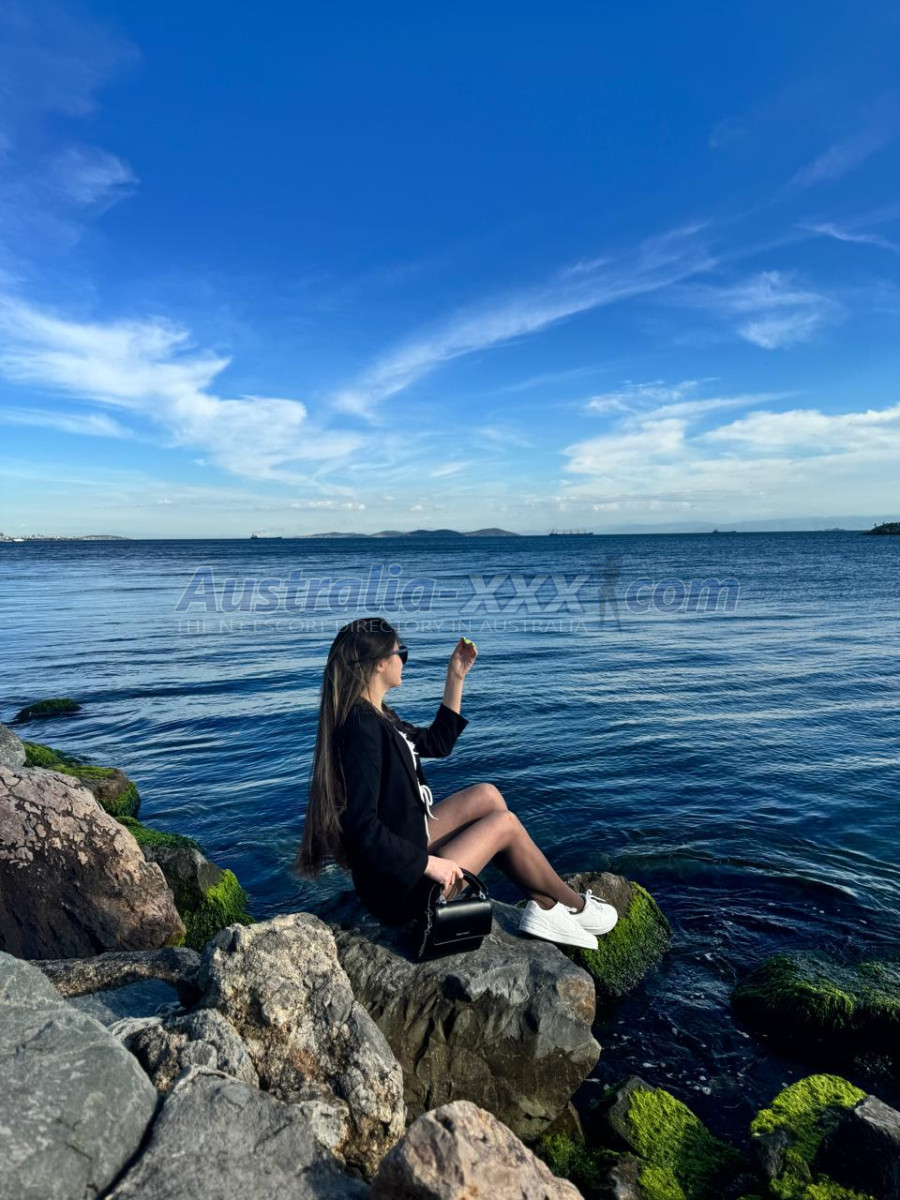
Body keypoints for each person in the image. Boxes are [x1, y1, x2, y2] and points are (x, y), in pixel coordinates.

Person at [293, 616, 618, 948]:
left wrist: (456, 676)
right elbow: (361, 828)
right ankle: (572, 906)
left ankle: (544, 905)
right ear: (379, 663)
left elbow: (438, 743)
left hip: (400, 859)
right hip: (400, 893)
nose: (404, 660)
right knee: (504, 824)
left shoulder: (379, 717)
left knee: (487, 795)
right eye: (401, 653)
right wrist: (428, 863)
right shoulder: (362, 729)